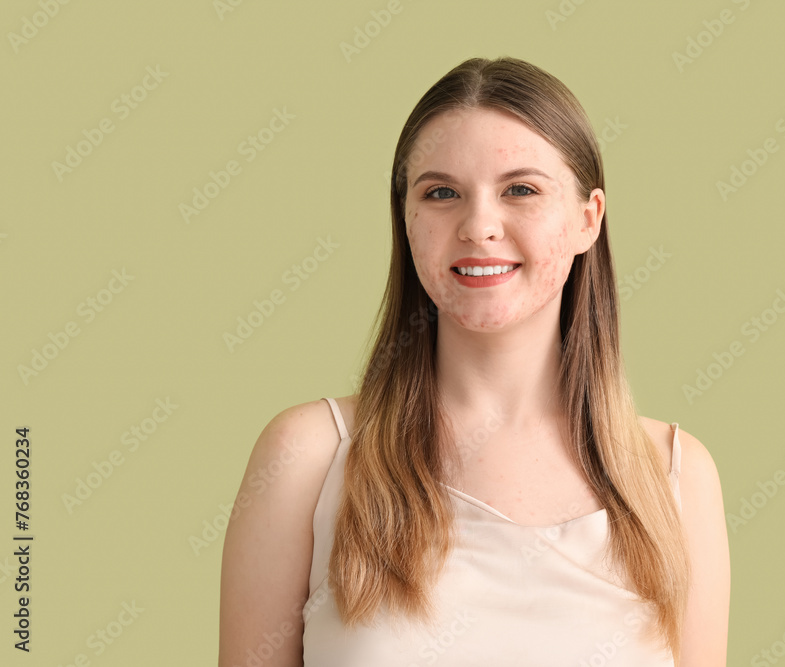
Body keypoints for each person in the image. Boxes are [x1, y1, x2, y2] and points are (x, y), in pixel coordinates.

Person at [219, 56, 729, 666]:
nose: (479, 226)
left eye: (521, 189)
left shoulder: (676, 478)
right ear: (406, 221)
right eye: (441, 193)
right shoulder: (308, 457)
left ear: (588, 218)